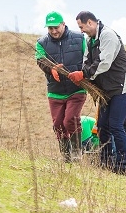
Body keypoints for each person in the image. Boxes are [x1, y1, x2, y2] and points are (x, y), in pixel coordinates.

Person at [71, 12, 126, 173]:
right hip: (106, 90)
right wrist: (81, 74)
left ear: (90, 22)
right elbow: (87, 61)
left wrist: (85, 75)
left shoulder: (108, 36)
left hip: (122, 87)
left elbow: (104, 63)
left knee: (115, 125)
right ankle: (105, 162)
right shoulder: (90, 40)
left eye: (82, 27)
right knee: (102, 126)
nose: (81, 31)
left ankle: (122, 166)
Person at [34, 11, 87, 162]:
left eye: (56, 27)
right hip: (55, 91)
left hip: (76, 88)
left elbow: (88, 58)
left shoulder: (79, 38)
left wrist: (83, 74)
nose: (54, 31)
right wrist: (50, 68)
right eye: (50, 28)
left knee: (70, 119)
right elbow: (39, 59)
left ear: (63, 24)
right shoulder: (41, 43)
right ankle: (66, 155)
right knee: (58, 124)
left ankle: (77, 151)